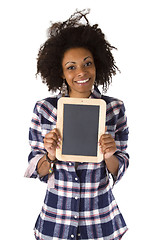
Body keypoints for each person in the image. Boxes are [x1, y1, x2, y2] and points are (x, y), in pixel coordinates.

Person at [25, 9, 129, 240]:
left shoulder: (114, 109)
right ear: (61, 73)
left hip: (101, 222)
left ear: (96, 65)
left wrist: (110, 154)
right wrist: (50, 155)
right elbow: (37, 168)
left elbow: (119, 167)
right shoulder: (44, 109)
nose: (81, 72)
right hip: (56, 222)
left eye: (87, 63)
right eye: (71, 67)